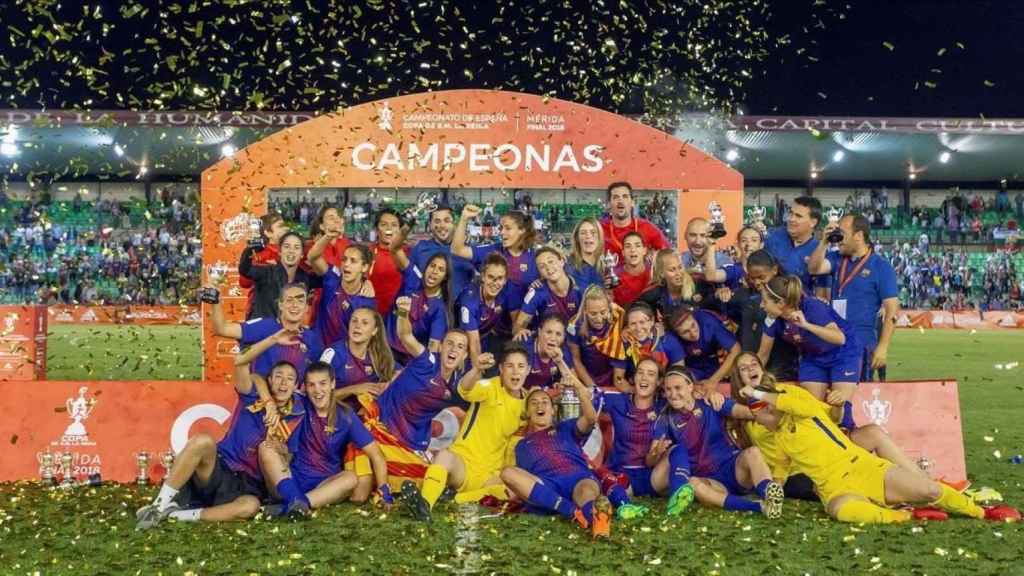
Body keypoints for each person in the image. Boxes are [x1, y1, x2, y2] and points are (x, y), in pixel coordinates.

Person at [735, 362, 1020, 524]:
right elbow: (782, 472)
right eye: (757, 415)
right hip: (833, 488)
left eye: (763, 410)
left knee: (929, 488)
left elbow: (785, 401)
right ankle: (907, 517)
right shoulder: (776, 439)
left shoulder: (801, 407)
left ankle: (983, 512)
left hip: (863, 468)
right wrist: (772, 493)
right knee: (840, 511)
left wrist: (756, 392)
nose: (761, 416)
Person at [135, 332, 304, 529]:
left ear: (296, 386)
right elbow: (241, 362)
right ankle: (158, 506)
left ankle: (175, 515)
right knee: (202, 441)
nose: (283, 383)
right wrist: (272, 340)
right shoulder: (252, 395)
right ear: (269, 381)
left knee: (249, 507)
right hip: (221, 469)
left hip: (249, 485)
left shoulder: (297, 414)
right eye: (278, 377)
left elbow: (289, 460)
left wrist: (280, 451)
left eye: (289, 379)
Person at [728, 351, 937, 501]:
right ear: (739, 378)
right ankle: (905, 493)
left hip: (832, 452)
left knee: (872, 432)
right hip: (798, 471)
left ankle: (921, 479)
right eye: (743, 368)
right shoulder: (745, 411)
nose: (750, 369)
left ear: (762, 368)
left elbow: (832, 418)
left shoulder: (788, 391)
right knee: (846, 482)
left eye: (753, 364)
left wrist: (836, 406)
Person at [345, 296, 473, 499]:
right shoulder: (427, 359)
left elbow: (465, 407)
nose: (453, 349)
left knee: (426, 475)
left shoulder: (458, 385)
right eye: (449, 343)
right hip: (381, 426)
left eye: (460, 346)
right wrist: (403, 312)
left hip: (411, 441)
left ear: (465, 355)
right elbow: (405, 335)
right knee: (366, 479)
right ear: (441, 346)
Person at [400, 346, 528, 521]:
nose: (515, 371)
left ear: (528, 370)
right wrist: (476, 369)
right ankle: (425, 505)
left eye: (521, 366)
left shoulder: (528, 403)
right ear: (501, 369)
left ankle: (453, 498)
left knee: (514, 491)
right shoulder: (490, 386)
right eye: (510, 366)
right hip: (464, 464)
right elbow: (464, 389)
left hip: (491, 475)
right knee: (444, 456)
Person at [258, 361, 392, 516]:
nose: (317, 390)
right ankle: (295, 500)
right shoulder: (299, 402)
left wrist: (384, 489)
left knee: (350, 478)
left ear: (332, 384)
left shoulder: (346, 416)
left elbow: (376, 455)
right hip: (288, 478)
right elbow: (256, 378)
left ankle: (292, 506)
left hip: (323, 487)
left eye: (323, 384)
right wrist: (269, 403)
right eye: (311, 385)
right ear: (305, 388)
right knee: (265, 447)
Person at [648, 366, 784, 518]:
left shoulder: (710, 401)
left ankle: (769, 493)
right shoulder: (665, 418)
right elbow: (651, 459)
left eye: (678, 387)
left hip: (733, 468)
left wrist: (776, 412)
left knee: (753, 452)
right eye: (668, 389)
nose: (673, 394)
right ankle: (760, 507)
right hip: (709, 481)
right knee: (692, 484)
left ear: (690, 386)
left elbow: (745, 412)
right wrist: (657, 453)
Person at [501, 379, 617, 538]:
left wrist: (580, 392)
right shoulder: (521, 444)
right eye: (534, 403)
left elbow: (590, 419)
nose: (539, 406)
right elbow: (525, 480)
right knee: (508, 473)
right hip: (548, 486)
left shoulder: (566, 427)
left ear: (553, 410)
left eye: (544, 402)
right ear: (527, 412)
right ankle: (573, 512)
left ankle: (597, 522)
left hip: (577, 478)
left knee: (586, 491)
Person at [757, 275, 860, 427]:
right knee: (811, 411)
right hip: (814, 357)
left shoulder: (811, 306)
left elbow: (839, 338)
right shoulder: (773, 319)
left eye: (765, 301)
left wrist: (805, 325)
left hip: (843, 353)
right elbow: (762, 355)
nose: (761, 305)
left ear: (781, 303)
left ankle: (850, 442)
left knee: (841, 408)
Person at [808, 214, 899, 382]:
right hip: (833, 340)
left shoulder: (881, 267)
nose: (839, 239)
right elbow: (814, 268)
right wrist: (823, 242)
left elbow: (892, 310)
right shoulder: (837, 259)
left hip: (861, 345)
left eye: (843, 233)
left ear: (858, 236)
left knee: (857, 397)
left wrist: (883, 347)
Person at [210, 282, 324, 383]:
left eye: (300, 301)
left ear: (306, 308)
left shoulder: (312, 339)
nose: (295, 305)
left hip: (293, 404)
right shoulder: (265, 326)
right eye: (289, 300)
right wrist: (215, 301)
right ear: (280, 305)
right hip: (260, 400)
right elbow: (221, 329)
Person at [719, 250, 799, 381]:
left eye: (761, 277)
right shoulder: (745, 295)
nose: (757, 282)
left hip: (782, 369)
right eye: (752, 278)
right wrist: (720, 293)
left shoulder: (788, 293)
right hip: (757, 364)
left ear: (774, 270)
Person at [451, 204, 538, 322]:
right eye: (501, 228)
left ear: (522, 230)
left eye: (507, 228)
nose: (502, 232)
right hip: (491, 326)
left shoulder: (536, 258)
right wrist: (464, 218)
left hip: (523, 327)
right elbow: (457, 249)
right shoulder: (492, 251)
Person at [597, 357, 664, 499]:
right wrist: (566, 378)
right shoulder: (618, 400)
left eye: (651, 374)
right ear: (634, 377)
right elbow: (587, 395)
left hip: (650, 475)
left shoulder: (664, 407)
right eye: (640, 372)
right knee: (606, 488)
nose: (644, 377)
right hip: (619, 472)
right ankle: (622, 499)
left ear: (659, 382)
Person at [307, 235, 376, 347]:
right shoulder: (332, 279)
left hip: (341, 356)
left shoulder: (366, 302)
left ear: (364, 267)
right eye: (344, 259)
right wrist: (328, 236)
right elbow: (313, 257)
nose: (346, 264)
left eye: (353, 261)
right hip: (316, 348)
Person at [384, 252, 451, 363]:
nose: (434, 271)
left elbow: (433, 348)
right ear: (426, 268)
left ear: (445, 277)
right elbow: (395, 250)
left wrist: (427, 368)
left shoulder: (440, 310)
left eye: (441, 269)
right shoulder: (414, 279)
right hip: (384, 348)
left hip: (407, 359)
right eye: (432, 266)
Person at [399, 205, 477, 300]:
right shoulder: (419, 249)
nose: (442, 226)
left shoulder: (468, 251)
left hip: (459, 311)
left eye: (447, 220)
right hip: (428, 311)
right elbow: (408, 282)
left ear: (455, 224)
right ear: (430, 224)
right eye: (437, 221)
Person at [239, 231, 320, 320]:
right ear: (280, 252)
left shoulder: (305, 278)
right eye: (287, 247)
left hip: (287, 330)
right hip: (262, 330)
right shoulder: (266, 272)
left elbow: (328, 277)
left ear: (302, 254)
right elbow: (245, 269)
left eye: (296, 247)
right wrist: (249, 250)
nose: (291, 251)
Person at [663, 305, 740, 397]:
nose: (693, 333)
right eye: (685, 332)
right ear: (676, 334)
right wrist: (693, 385)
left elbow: (736, 349)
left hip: (715, 363)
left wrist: (713, 381)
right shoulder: (671, 338)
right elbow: (679, 370)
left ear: (693, 316)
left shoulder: (707, 321)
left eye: (693, 325)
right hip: (691, 368)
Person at [319, 307, 395, 399]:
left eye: (365, 323)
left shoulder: (378, 353)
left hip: (368, 410)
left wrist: (387, 384)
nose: (357, 326)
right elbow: (318, 395)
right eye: (354, 321)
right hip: (338, 411)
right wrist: (353, 390)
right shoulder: (332, 353)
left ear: (374, 331)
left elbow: (400, 372)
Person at [455, 252, 512, 370]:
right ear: (483, 277)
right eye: (491, 277)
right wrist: (478, 372)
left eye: (500, 278)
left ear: (505, 280)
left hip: (486, 337)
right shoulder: (469, 301)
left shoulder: (507, 292)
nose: (495, 283)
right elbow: (474, 342)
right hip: (464, 341)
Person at [567, 285, 628, 391]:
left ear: (609, 308)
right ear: (585, 311)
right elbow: (575, 360)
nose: (599, 319)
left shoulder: (618, 316)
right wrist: (592, 387)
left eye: (603, 312)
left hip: (614, 377)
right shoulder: (574, 325)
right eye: (593, 314)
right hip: (587, 378)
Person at [515, 246, 583, 336]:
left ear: (562, 261)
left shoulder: (581, 287)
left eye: (551, 261)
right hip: (549, 342)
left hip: (576, 339)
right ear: (539, 273)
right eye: (542, 266)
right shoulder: (536, 292)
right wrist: (521, 331)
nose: (548, 267)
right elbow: (517, 329)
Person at [764, 196, 824, 292]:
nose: (791, 219)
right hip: (768, 300)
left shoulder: (818, 251)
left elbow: (821, 289)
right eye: (791, 213)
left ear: (813, 222)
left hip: (799, 304)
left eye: (798, 216)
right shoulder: (772, 236)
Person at [237, 212, 290, 317]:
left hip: (287, 310)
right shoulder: (259, 254)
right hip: (262, 310)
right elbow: (244, 282)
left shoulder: (292, 252)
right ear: (268, 233)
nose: (285, 229)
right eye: (280, 226)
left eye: (284, 225)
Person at [600, 182, 669, 259]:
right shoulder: (599, 229)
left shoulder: (647, 227)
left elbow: (668, 253)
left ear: (632, 202)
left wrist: (655, 258)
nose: (620, 201)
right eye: (616, 197)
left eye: (625, 196)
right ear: (609, 204)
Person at [637, 249, 709, 320]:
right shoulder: (652, 293)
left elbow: (715, 300)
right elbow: (635, 310)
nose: (678, 273)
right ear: (662, 273)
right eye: (672, 270)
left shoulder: (699, 283)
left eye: (680, 267)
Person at [680, 218, 742, 286]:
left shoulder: (724, 261)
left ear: (711, 237)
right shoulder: (679, 261)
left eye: (703, 235)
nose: (697, 241)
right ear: (685, 236)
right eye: (693, 235)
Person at [368, 208, 406, 317]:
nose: (388, 229)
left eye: (394, 225)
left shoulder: (409, 253)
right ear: (376, 229)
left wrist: (402, 315)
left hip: (399, 313)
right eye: (384, 224)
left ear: (400, 230)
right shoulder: (367, 253)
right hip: (373, 314)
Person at [523, 315, 575, 390]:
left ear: (563, 338)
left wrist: (561, 385)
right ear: (540, 332)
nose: (553, 338)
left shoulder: (563, 352)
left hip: (547, 397)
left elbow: (575, 384)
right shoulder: (524, 348)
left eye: (558, 334)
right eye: (549, 332)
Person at [622, 301, 673, 377]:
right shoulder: (623, 343)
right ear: (627, 326)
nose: (638, 328)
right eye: (633, 323)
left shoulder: (666, 339)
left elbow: (679, 372)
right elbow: (619, 378)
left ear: (652, 321)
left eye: (642, 322)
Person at [565, 217, 608, 293]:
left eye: (593, 232)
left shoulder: (607, 266)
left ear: (600, 237)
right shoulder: (566, 265)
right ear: (577, 238)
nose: (588, 236)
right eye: (583, 233)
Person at [611, 232, 651, 308]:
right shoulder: (614, 276)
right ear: (623, 252)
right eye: (628, 246)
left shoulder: (654, 273)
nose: (633, 250)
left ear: (644, 250)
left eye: (637, 246)